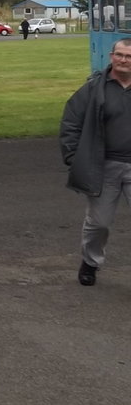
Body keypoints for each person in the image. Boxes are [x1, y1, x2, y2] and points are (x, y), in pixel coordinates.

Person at [60, 38, 131, 286]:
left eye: (129, 56)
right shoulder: (94, 88)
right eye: (119, 54)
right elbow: (71, 122)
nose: (123, 60)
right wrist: (72, 156)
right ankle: (90, 262)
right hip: (105, 166)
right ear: (111, 56)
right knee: (99, 223)